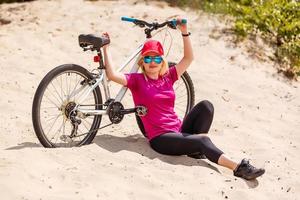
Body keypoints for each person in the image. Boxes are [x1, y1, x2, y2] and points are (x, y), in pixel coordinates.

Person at [102, 18, 265, 180]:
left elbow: (188, 58)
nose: (153, 62)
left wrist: (184, 31)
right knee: (202, 140)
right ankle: (238, 167)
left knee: (206, 106)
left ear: (162, 61)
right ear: (142, 62)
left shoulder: (168, 76)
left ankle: (196, 149)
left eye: (157, 58)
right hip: (161, 139)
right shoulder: (137, 80)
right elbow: (112, 75)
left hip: (179, 131)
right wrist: (106, 49)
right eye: (148, 59)